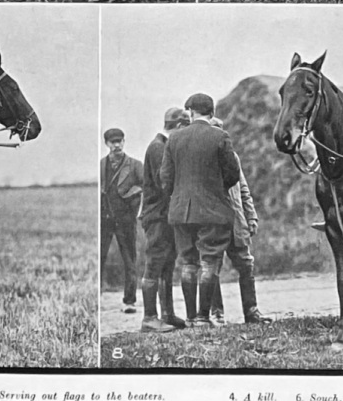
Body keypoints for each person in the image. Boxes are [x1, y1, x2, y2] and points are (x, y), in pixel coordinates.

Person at [160, 91, 243, 330]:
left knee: (188, 263)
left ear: (190, 112)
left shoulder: (174, 138)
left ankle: (189, 317)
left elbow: (165, 178)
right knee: (209, 263)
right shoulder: (220, 136)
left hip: (181, 212)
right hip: (212, 211)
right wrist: (215, 190)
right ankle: (203, 318)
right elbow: (232, 174)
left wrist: (180, 195)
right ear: (212, 112)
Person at [207, 116, 270, 327]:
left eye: (219, 131)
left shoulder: (232, 157)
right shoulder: (202, 162)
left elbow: (243, 189)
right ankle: (216, 313)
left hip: (236, 222)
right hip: (213, 224)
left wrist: (251, 216)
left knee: (246, 265)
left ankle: (251, 312)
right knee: (212, 268)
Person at [138, 107, 190, 335]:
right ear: (179, 127)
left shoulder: (163, 145)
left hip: (165, 215)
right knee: (155, 265)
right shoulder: (159, 147)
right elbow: (164, 183)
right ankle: (149, 317)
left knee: (167, 264)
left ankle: (167, 314)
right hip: (157, 216)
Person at [100, 128, 143, 314]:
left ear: (124, 142)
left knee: (129, 259)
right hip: (104, 219)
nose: (116, 145)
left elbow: (144, 185)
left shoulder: (135, 165)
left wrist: (131, 199)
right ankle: (97, 297)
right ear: (106, 144)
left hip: (125, 220)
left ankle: (130, 301)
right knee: (99, 258)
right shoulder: (101, 165)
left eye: (119, 141)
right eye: (112, 142)